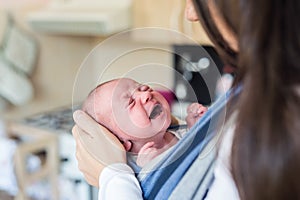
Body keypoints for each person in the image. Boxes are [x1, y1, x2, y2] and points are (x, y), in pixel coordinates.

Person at [72, 0, 300, 199]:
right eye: (131, 102)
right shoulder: (257, 95)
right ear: (124, 144)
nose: (190, 13)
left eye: (142, 87)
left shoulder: (265, 123)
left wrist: (111, 174)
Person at [81, 77, 207, 167]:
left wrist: (197, 129)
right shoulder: (134, 171)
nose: (146, 94)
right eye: (131, 102)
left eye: (143, 88)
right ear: (120, 141)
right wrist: (150, 171)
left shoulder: (178, 132)